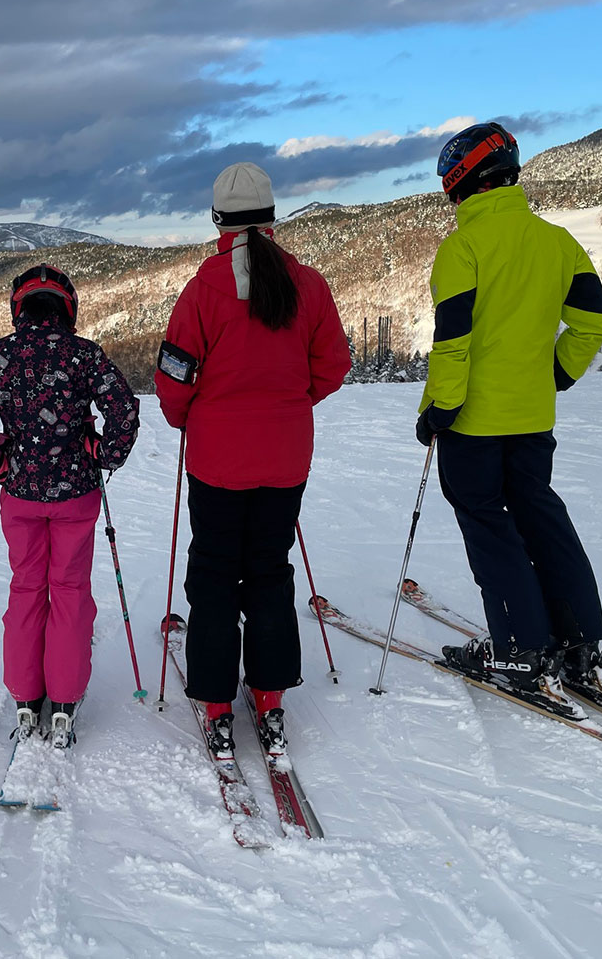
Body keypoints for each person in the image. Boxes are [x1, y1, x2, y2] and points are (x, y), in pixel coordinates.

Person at [154, 162, 351, 762]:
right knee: (268, 568)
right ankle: (269, 694)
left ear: (218, 219)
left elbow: (173, 376)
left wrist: (190, 414)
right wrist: (290, 405)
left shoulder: (204, 288)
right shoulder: (307, 284)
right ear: (270, 217)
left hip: (217, 457)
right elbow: (333, 366)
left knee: (214, 569)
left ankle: (215, 701)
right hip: (286, 456)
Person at [417, 122, 602, 698]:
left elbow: (453, 343)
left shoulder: (464, 249)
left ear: (460, 184)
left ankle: (523, 650)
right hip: (533, 419)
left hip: (474, 424)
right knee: (541, 517)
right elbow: (592, 324)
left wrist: (440, 410)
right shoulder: (558, 243)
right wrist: (553, 375)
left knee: (488, 525)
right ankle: (581, 641)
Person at [0, 265, 139, 748]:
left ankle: (27, 697)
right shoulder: (84, 354)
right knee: (69, 590)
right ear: (67, 308)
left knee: (27, 588)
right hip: (76, 495)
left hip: (20, 494)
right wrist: (103, 453)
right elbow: (123, 409)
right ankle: (65, 699)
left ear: (19, 308)